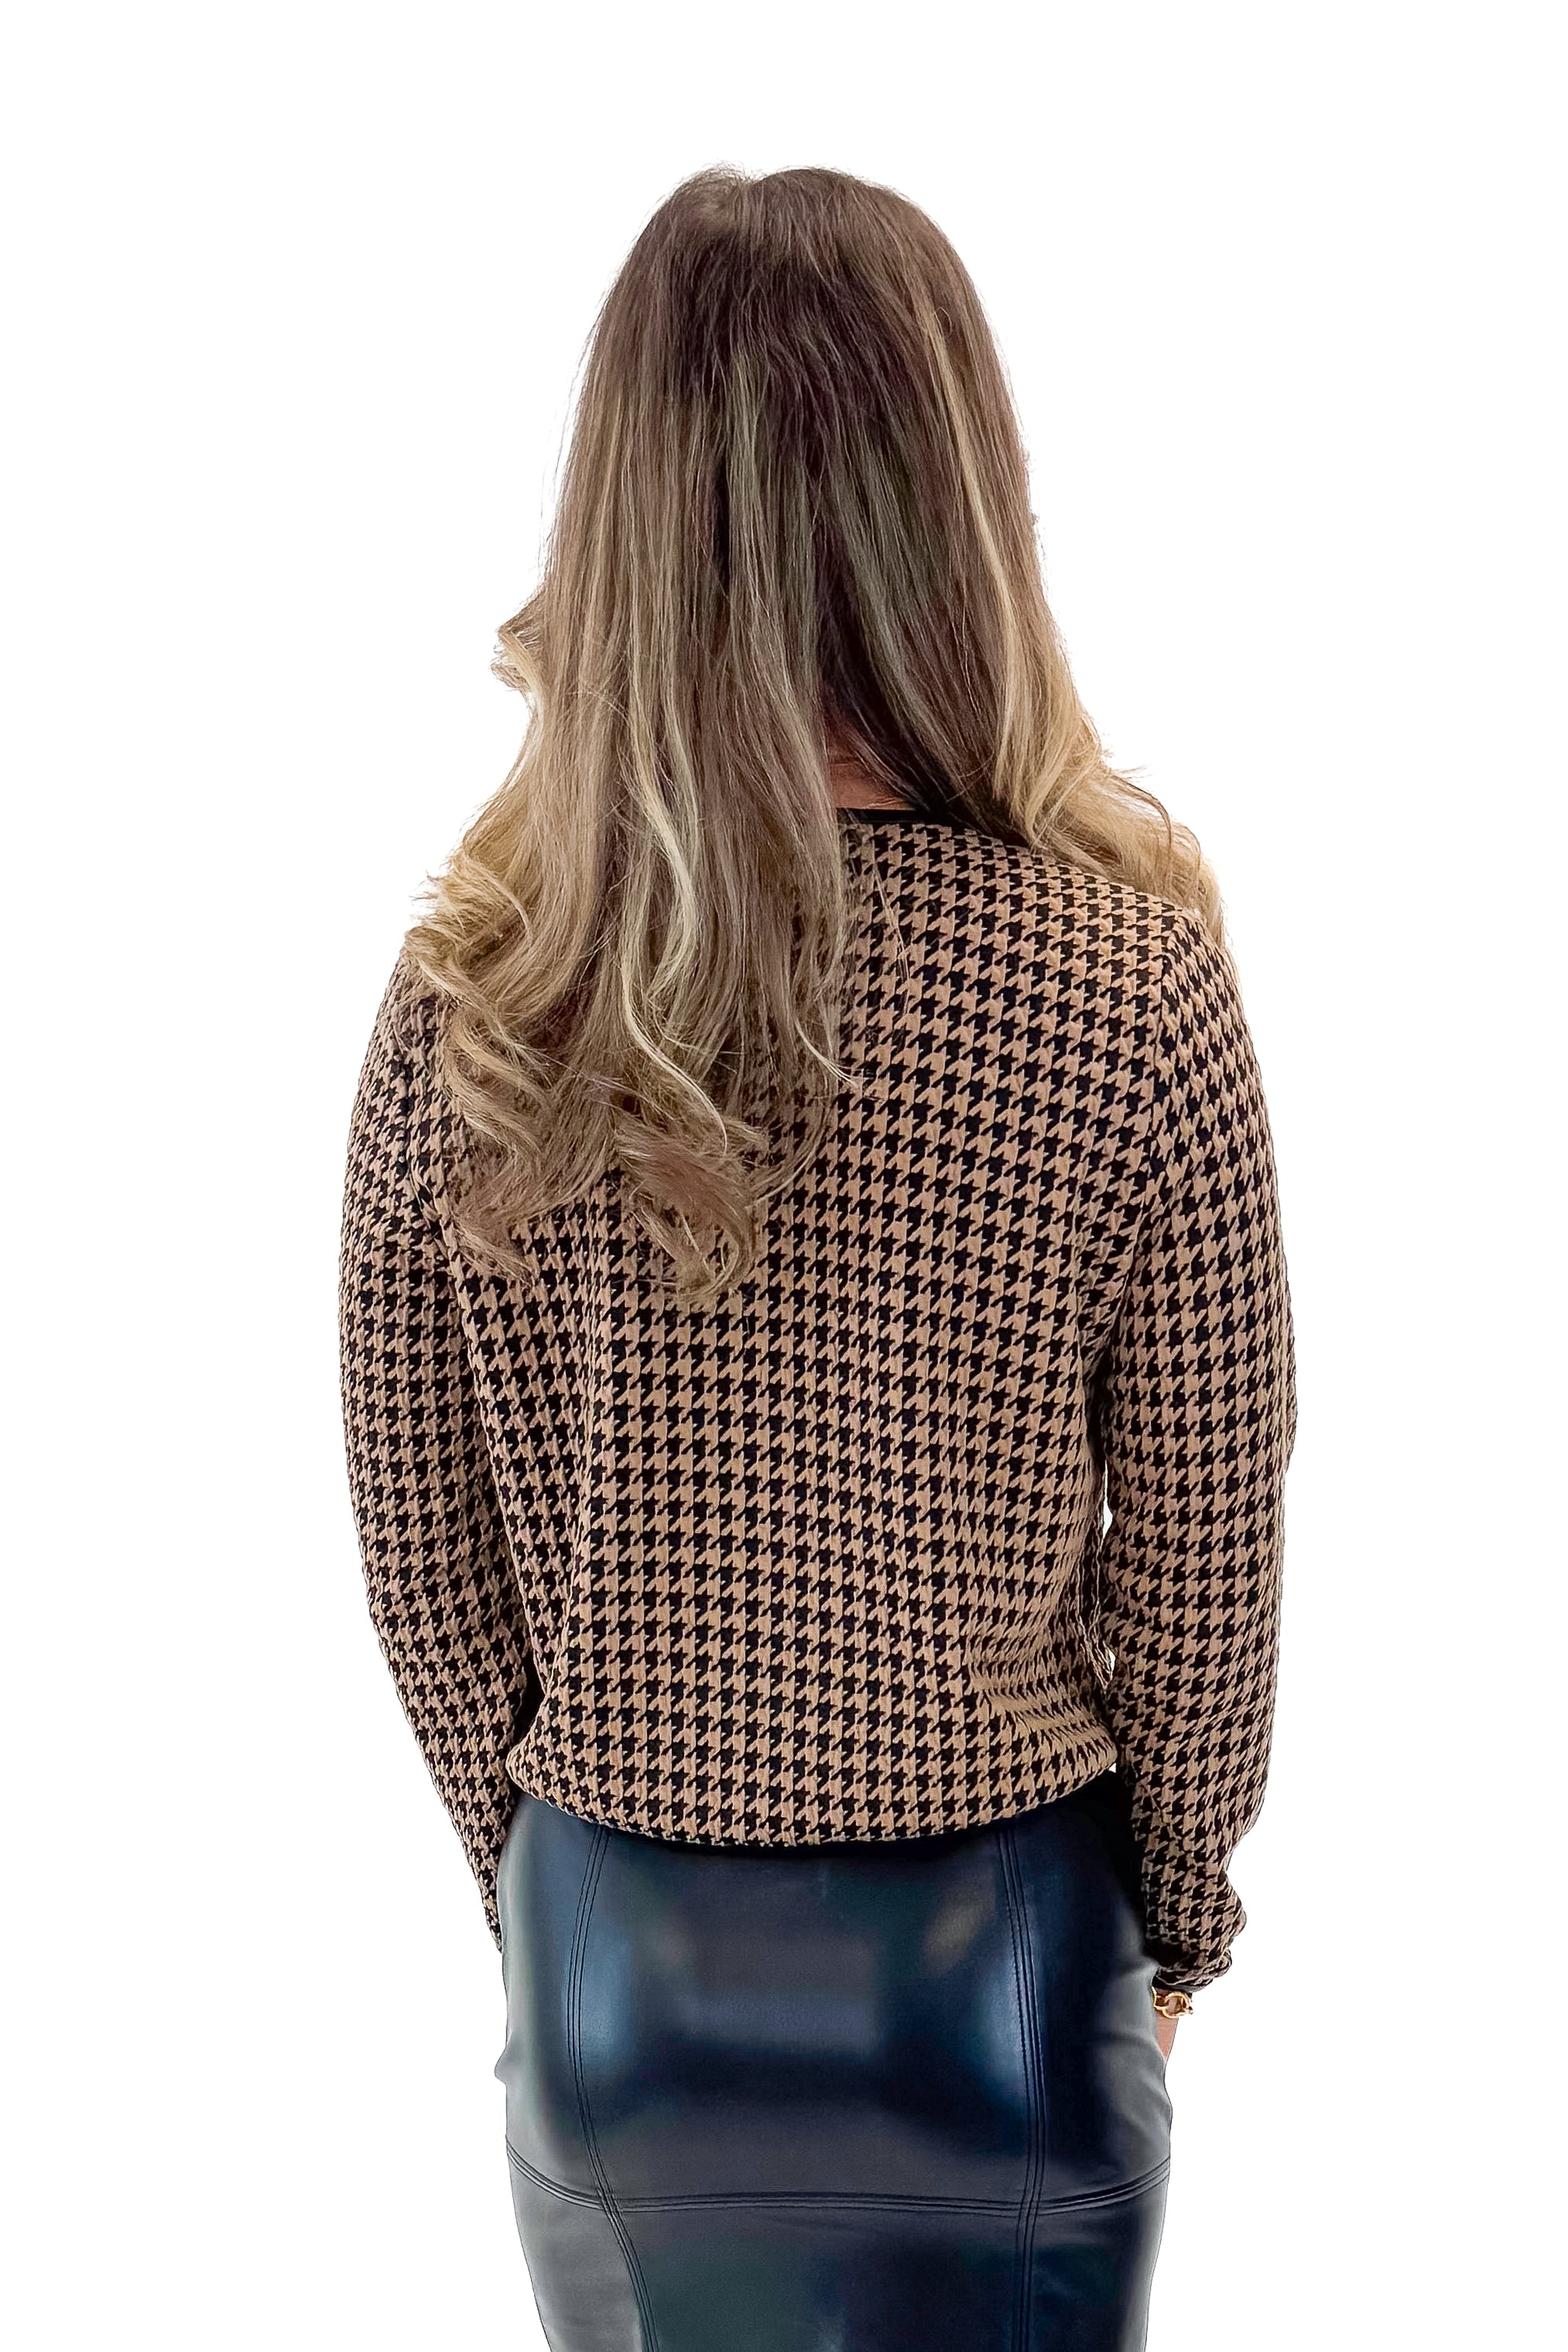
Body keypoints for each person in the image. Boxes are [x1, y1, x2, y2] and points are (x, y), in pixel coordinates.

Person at [339, 163, 1296, 2352]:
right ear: (961, 497)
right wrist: (1180, 1926)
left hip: (612, 1981)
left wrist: (552, 1883)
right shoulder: (1125, 984)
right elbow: (1203, 1553)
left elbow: (426, 1553)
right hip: (999, 1982)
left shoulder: (479, 999)